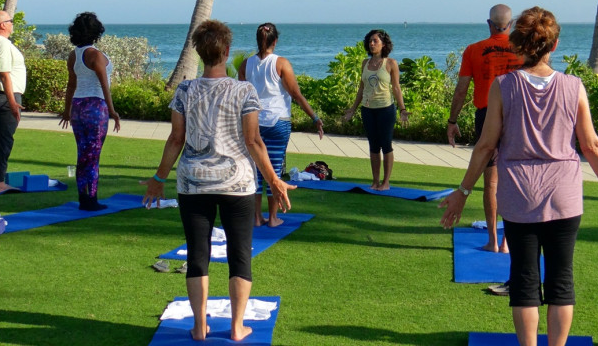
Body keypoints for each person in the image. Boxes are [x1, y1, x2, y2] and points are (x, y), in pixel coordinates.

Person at [440, 6, 598, 346]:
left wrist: (463, 191)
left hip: (519, 196)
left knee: (524, 277)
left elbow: (486, 146)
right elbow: (591, 145)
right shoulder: (574, 86)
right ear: (554, 45)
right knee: (561, 278)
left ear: (518, 44)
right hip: (564, 195)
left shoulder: (503, 86)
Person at [142, 20, 296, 342]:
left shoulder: (185, 89)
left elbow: (175, 139)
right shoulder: (244, 90)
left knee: (199, 254)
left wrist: (159, 178)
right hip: (237, 184)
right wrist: (274, 181)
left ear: (199, 52)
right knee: (240, 253)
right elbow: (253, 141)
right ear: (226, 52)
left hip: (193, 183)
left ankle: (199, 326)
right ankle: (238, 327)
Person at [448, 4, 522, 254]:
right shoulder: (522, 51)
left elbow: (461, 90)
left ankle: (493, 240)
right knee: (513, 179)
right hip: (516, 117)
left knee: (491, 182)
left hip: (487, 115)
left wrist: (452, 120)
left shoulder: (474, 50)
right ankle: (507, 241)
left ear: (488, 24)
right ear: (510, 26)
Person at [238, 22, 324, 227]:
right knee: (274, 170)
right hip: (278, 122)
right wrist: (315, 118)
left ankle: (256, 217)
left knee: (257, 170)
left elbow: (240, 96)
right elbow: (296, 94)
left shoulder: (245, 64)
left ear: (258, 40)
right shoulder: (281, 63)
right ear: (275, 41)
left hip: (253, 122)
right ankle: (273, 218)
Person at [59, 12, 121, 211]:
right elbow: (104, 85)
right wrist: (112, 111)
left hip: (78, 106)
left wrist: (67, 111)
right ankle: (91, 200)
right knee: (93, 155)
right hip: (96, 107)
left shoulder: (73, 55)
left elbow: (71, 85)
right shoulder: (95, 55)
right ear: (96, 32)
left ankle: (83, 198)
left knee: (83, 154)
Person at [343, 29, 408, 191]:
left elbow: (396, 88)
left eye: (375, 41)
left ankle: (385, 182)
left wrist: (403, 109)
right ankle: (375, 181)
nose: (372, 44)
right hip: (368, 110)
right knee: (373, 146)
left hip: (385, 109)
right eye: (370, 41)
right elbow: (361, 88)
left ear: (383, 44)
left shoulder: (391, 63)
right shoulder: (365, 63)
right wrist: (352, 109)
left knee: (385, 144)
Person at [0, 10, 26, 194]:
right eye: (10, 21)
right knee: (3, 141)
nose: (12, 24)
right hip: (4, 97)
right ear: (2, 25)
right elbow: (4, 75)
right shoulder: (1, 44)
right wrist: (12, 102)